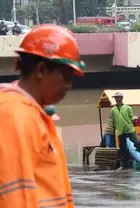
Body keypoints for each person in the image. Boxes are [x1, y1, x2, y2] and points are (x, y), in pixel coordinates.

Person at [0, 24, 86, 208]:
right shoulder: (15, 115)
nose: (69, 86)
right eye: (66, 77)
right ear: (41, 70)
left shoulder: (30, 113)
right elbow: (16, 196)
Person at [111, 91, 140, 170]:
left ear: (121, 98)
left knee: (136, 141)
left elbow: (131, 118)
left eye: (118, 97)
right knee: (122, 148)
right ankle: (123, 165)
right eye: (115, 98)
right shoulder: (113, 109)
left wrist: (128, 124)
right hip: (120, 130)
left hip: (129, 129)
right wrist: (117, 128)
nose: (116, 99)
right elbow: (113, 120)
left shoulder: (128, 108)